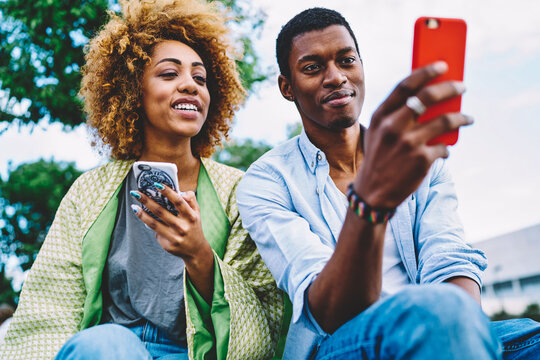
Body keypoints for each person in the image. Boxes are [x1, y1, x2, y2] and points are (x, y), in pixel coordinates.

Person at [237, 7, 540, 360]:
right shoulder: (267, 180)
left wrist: (461, 333)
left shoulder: (420, 159)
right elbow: (330, 312)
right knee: (437, 313)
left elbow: (449, 260)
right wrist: (370, 201)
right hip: (339, 345)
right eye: (312, 68)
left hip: (443, 328)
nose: (335, 77)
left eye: (347, 60)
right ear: (287, 87)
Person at [0, 0, 286, 359]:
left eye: (201, 78)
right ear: (133, 90)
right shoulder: (89, 193)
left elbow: (263, 319)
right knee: (106, 344)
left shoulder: (239, 191)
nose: (190, 85)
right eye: (170, 74)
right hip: (110, 349)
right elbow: (50, 307)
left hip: (194, 352)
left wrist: (199, 256)